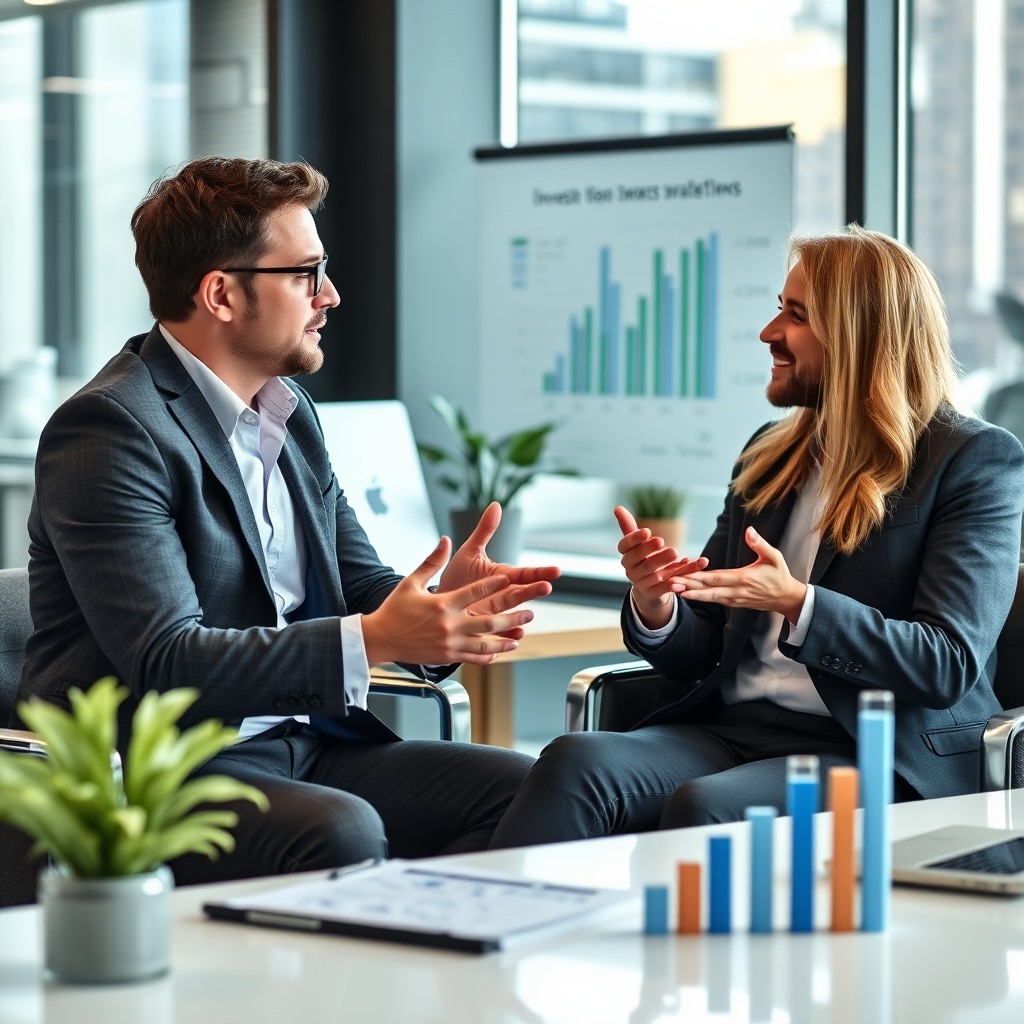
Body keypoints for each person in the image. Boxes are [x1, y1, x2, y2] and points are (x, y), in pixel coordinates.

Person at [18, 157, 558, 882]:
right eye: (306, 273)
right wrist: (374, 638)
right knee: (339, 828)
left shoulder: (289, 413)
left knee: (531, 791)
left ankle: (416, 980)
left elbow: (359, 581)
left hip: (302, 739)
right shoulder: (111, 430)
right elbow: (167, 659)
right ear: (221, 294)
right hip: (156, 769)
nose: (330, 295)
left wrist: (436, 610)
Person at [490, 226, 1024, 848]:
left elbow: (947, 663)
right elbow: (702, 648)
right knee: (573, 764)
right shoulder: (768, 458)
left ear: (857, 336)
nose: (770, 333)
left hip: (874, 750)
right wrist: (659, 606)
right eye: (779, 308)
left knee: (707, 809)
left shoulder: (972, 461)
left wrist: (799, 604)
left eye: (795, 316)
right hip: (733, 728)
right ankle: (485, 929)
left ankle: (669, 946)